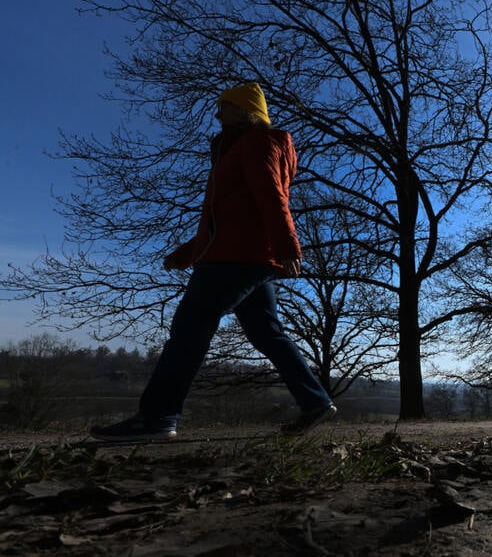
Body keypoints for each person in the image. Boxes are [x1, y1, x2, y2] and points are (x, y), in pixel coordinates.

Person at [91, 82, 336, 442]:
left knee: (189, 328)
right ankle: (314, 401)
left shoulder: (255, 144)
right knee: (266, 332)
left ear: (245, 110)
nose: (217, 113)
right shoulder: (236, 148)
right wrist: (189, 253)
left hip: (237, 259)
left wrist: (288, 246)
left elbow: (271, 196)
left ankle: (157, 417)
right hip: (242, 254)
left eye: (224, 106)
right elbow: (229, 218)